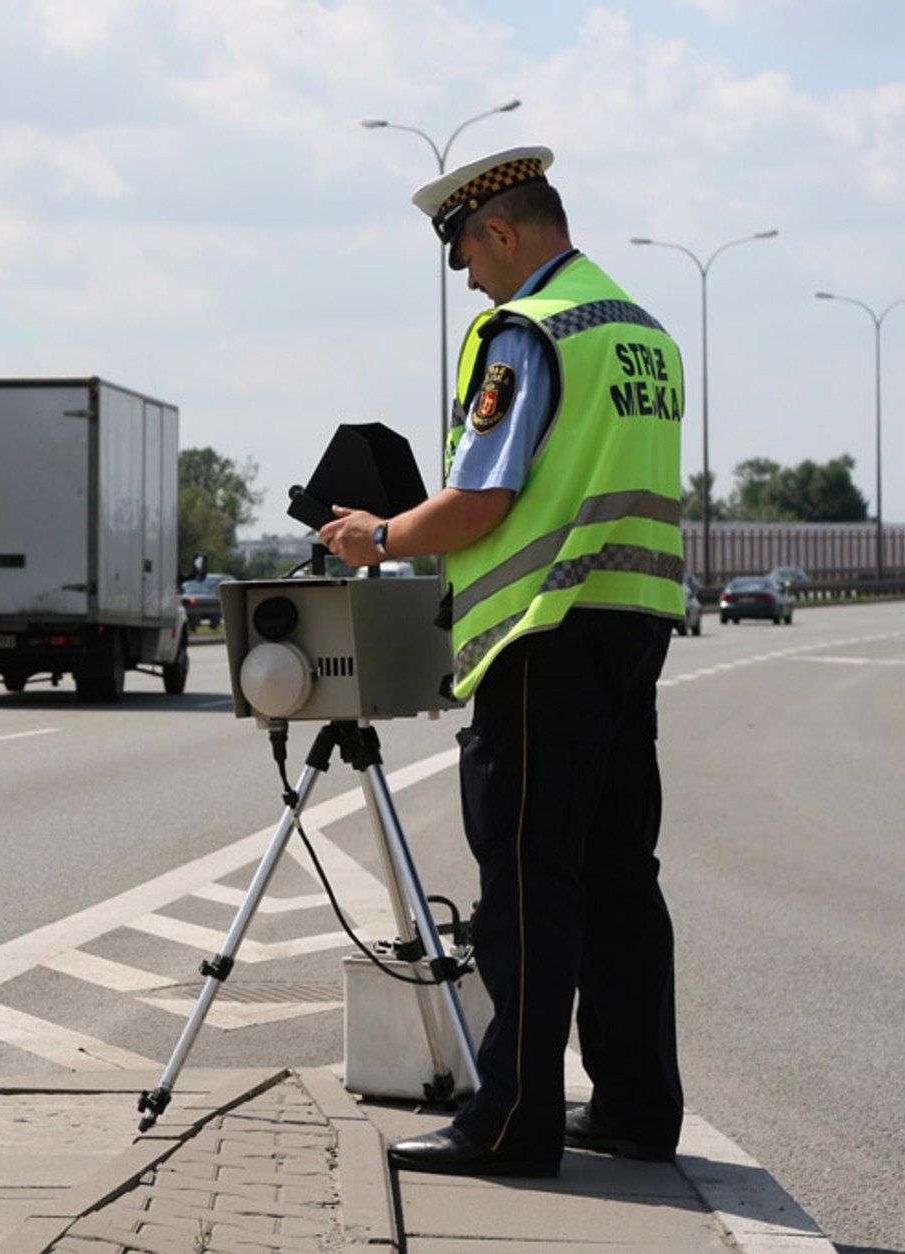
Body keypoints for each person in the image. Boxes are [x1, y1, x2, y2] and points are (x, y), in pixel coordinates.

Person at [319, 146, 687, 1178]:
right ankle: (635, 1109)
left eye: (467, 259)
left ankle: (510, 1123)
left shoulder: (526, 330)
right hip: (632, 624)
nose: (471, 282)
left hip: (543, 634)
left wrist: (379, 537)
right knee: (619, 878)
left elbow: (482, 499)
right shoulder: (640, 331)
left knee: (527, 885)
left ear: (499, 230)